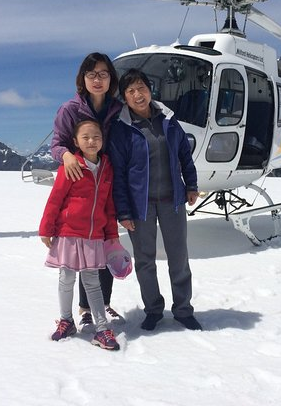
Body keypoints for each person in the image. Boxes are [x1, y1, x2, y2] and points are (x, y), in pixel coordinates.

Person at [109, 68, 202, 331]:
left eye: (141, 88)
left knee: (179, 257)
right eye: (130, 91)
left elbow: (184, 154)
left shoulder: (169, 121)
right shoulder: (122, 129)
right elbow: (119, 174)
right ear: (124, 98)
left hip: (172, 199)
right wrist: (124, 212)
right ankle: (153, 310)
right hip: (141, 206)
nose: (138, 95)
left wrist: (191, 184)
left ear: (150, 90)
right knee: (145, 260)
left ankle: (183, 310)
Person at [50, 52, 123, 330]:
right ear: (82, 79)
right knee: (82, 249)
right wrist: (66, 156)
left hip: (108, 181)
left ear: (111, 79)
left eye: (103, 74)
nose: (97, 79)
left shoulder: (117, 109)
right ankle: (84, 309)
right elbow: (57, 143)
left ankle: (101, 304)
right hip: (81, 186)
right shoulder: (70, 109)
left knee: (105, 244)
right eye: (91, 74)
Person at [40, 120, 121, 351]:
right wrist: (46, 228)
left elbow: (108, 205)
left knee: (92, 282)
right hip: (68, 232)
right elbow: (55, 199)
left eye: (96, 136)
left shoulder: (107, 167)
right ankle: (66, 320)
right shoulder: (71, 166)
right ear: (75, 142)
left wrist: (111, 233)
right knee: (66, 279)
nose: (91, 141)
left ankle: (102, 329)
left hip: (94, 234)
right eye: (85, 137)